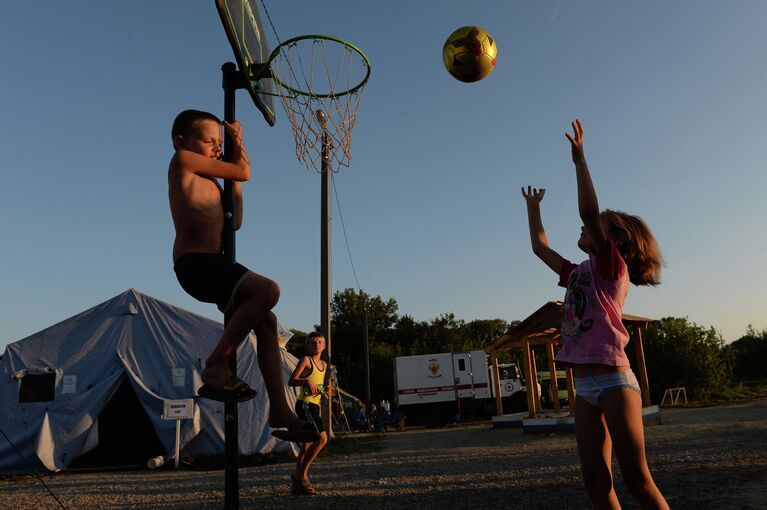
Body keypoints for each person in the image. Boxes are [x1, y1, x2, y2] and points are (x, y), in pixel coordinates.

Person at [522, 119, 668, 509]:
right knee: (595, 482)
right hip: (584, 386)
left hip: (616, 381)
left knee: (637, 481)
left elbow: (589, 213)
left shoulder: (610, 266)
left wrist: (579, 160)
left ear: (612, 240)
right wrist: (534, 210)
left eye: (594, 228)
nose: (584, 229)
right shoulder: (577, 273)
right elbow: (540, 249)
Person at [168, 109, 318, 443]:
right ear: (182, 142)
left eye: (219, 142)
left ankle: (279, 409)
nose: (216, 148)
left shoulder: (211, 184)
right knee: (267, 290)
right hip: (196, 264)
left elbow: (234, 220)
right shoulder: (182, 162)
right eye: (209, 141)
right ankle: (217, 364)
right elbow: (244, 171)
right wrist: (238, 141)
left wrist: (233, 172)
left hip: (214, 264)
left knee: (267, 321)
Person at [287, 331, 333, 495]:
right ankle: (301, 476)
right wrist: (306, 380)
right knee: (322, 438)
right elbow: (291, 381)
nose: (317, 345)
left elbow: (318, 386)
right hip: (305, 405)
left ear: (325, 345)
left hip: (315, 405)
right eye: (313, 342)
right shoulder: (305, 360)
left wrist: (325, 390)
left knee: (306, 445)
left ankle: (297, 486)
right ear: (308, 345)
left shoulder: (324, 365)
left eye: (320, 342)